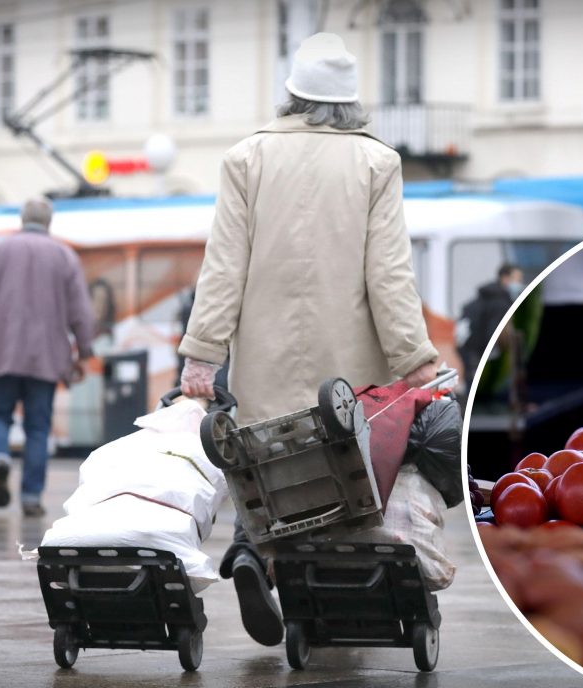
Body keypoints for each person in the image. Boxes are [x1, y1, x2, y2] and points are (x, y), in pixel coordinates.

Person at [179, 33, 438, 647]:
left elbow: (224, 265)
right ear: (351, 102)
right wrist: (415, 359)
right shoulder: (376, 163)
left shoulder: (247, 157)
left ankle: (253, 552)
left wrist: (203, 353)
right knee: (343, 482)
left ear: (292, 94)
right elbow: (389, 274)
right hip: (346, 374)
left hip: (263, 364)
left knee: (268, 468)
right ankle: (328, 598)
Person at [0, 198, 95, 517]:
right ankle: (31, 497)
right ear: (49, 222)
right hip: (45, 358)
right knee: (37, 428)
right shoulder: (64, 256)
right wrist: (84, 350)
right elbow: (81, 311)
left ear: (22, 219)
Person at [457, 263, 524, 385]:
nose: (520, 284)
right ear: (505, 278)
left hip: (468, 352)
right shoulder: (501, 304)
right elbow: (493, 333)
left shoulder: (484, 298)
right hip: (481, 355)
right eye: (517, 280)